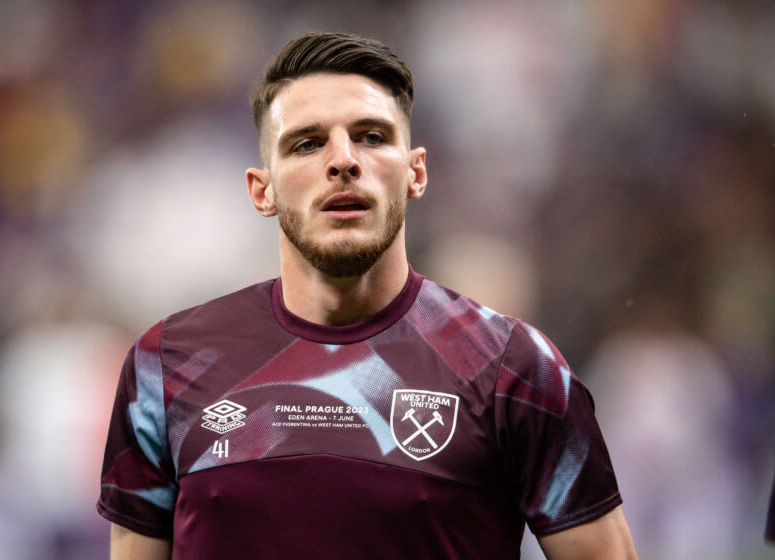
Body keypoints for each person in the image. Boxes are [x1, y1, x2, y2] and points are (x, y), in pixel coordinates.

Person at [97, 31, 637, 559]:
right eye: (307, 143)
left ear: (416, 172)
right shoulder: (166, 364)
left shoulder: (511, 368)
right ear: (262, 190)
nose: (343, 160)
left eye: (372, 137)